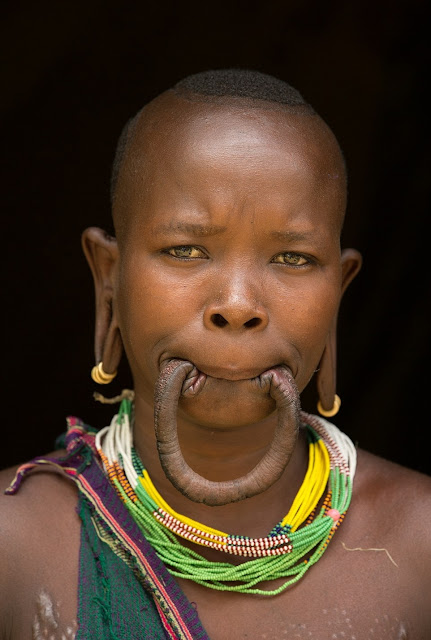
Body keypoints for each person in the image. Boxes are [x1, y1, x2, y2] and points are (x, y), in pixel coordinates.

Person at [1, 69, 430, 640]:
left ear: (339, 293)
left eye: (294, 258)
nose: (237, 305)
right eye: (185, 249)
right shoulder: (14, 546)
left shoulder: (420, 544)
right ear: (110, 278)